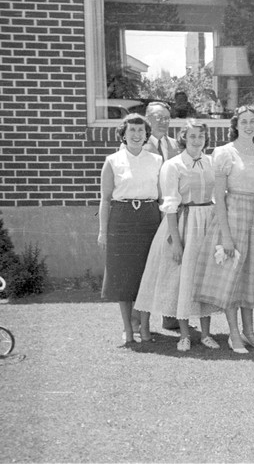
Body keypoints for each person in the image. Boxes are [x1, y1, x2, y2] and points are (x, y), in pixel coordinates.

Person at [134, 119, 221, 351]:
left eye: (201, 136)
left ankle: (205, 333)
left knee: (203, 278)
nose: (196, 140)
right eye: (192, 136)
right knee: (182, 277)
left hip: (207, 221)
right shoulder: (173, 165)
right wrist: (176, 241)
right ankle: (184, 334)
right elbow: (170, 204)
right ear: (184, 138)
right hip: (184, 222)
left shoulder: (212, 162)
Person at [193, 105, 254, 354]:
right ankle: (234, 334)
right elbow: (218, 196)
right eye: (244, 121)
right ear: (236, 125)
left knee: (250, 278)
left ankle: (250, 333)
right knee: (232, 278)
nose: (249, 126)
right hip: (233, 215)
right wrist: (226, 236)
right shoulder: (225, 153)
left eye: (253, 121)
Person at [97, 114, 162, 344]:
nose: (136, 135)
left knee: (146, 274)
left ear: (146, 135)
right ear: (123, 134)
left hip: (149, 218)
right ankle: (128, 329)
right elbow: (105, 199)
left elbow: (162, 197)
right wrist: (103, 231)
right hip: (121, 219)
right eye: (131, 130)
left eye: (141, 131)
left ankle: (145, 328)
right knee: (123, 277)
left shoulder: (156, 160)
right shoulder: (112, 161)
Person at [142, 101, 182, 331]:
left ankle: (169, 314)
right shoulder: (140, 144)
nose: (163, 122)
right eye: (158, 117)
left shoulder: (176, 145)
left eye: (167, 117)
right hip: (150, 211)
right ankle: (142, 320)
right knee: (148, 264)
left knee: (171, 262)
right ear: (147, 118)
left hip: (173, 213)